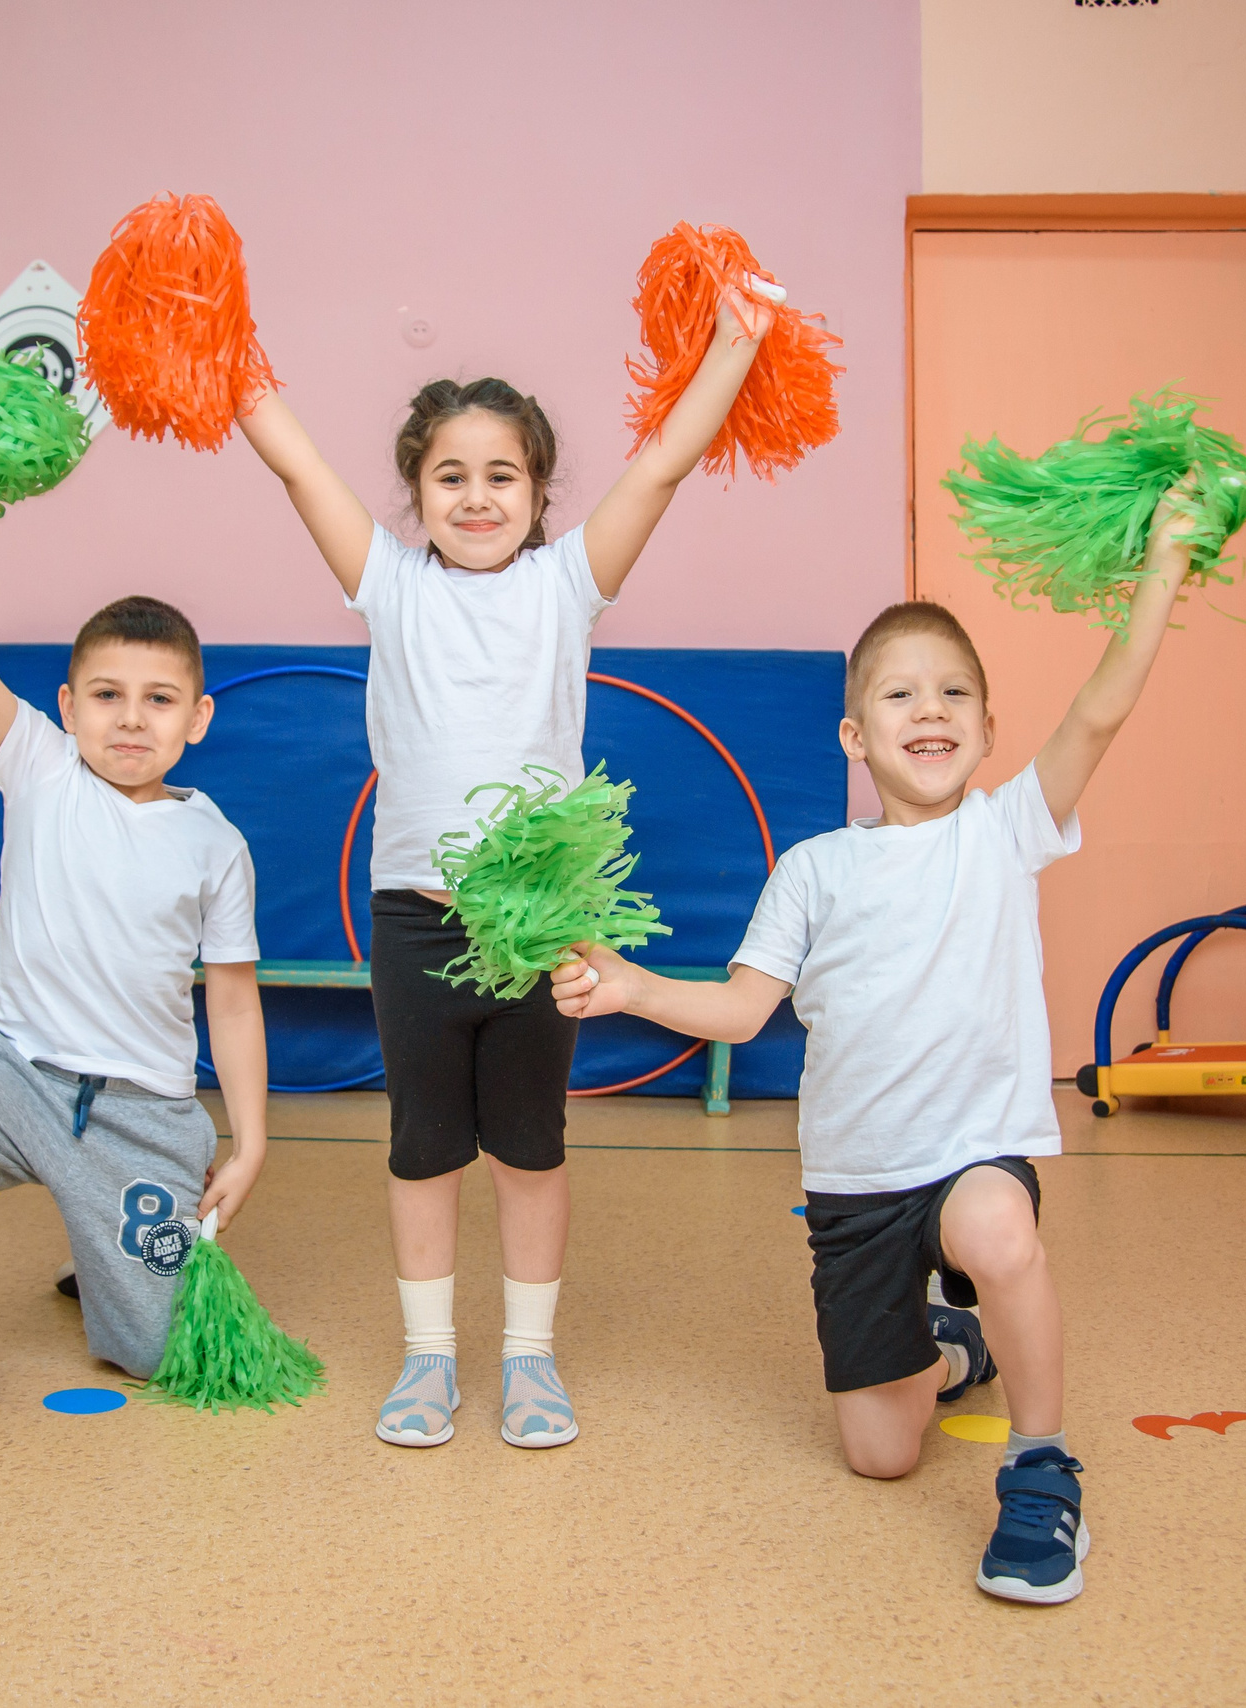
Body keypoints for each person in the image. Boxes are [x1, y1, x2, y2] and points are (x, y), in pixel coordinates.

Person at [549, 496, 1194, 1598]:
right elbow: (746, 1011)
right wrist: (634, 985)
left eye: (954, 694)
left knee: (994, 1223)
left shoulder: (1003, 831)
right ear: (856, 735)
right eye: (898, 694)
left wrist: (1164, 570)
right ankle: (950, 1349)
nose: (928, 710)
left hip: (970, 1158)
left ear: (989, 730)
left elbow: (1097, 712)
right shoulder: (812, 869)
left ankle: (1041, 1473)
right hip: (855, 1192)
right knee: (881, 1454)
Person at [234, 281, 779, 1448]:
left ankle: (530, 1362)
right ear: (416, 493)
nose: (475, 496)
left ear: (535, 497)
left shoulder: (563, 585)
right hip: (414, 922)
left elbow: (662, 467)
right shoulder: (390, 586)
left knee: (530, 1147)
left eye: (501, 477)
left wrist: (736, 344)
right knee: (423, 1147)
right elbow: (298, 469)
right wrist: (220, 353)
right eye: (449, 475)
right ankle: (428, 1360)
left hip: (536, 926)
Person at [0, 440, 270, 1442]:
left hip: (140, 1113)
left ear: (196, 718)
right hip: (10, 1071)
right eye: (106, 696)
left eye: (159, 700)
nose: (130, 719)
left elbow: (233, 999)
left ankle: (108, 1245)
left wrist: (251, 1139)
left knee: (155, 1355)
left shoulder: (216, 844)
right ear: (66, 709)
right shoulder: (35, 764)